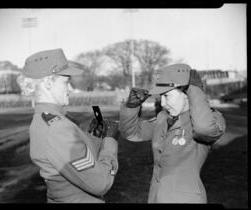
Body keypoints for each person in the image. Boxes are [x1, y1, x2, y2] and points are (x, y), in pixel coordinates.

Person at [16, 48, 119, 203]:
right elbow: (101, 183)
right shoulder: (58, 128)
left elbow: (77, 161)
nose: (70, 88)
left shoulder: (48, 120)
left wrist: (95, 138)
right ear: (48, 83)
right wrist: (110, 142)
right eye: (66, 82)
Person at [119, 63, 226, 203]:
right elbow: (132, 133)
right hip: (156, 198)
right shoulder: (163, 118)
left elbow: (204, 130)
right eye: (160, 97)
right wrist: (131, 107)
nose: (162, 103)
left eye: (167, 96)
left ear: (187, 94)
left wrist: (195, 91)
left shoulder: (211, 118)